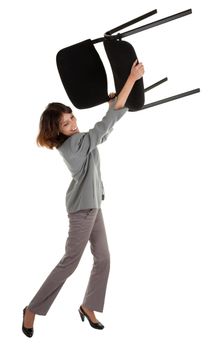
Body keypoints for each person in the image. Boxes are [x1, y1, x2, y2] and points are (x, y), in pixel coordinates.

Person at [22, 59, 145, 337]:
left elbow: (105, 127)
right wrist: (131, 80)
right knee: (70, 262)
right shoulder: (72, 148)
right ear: (58, 131)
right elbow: (104, 127)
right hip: (82, 211)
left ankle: (89, 306)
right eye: (66, 123)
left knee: (103, 258)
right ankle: (32, 309)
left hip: (93, 206)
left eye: (71, 117)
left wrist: (111, 105)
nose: (73, 123)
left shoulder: (76, 141)